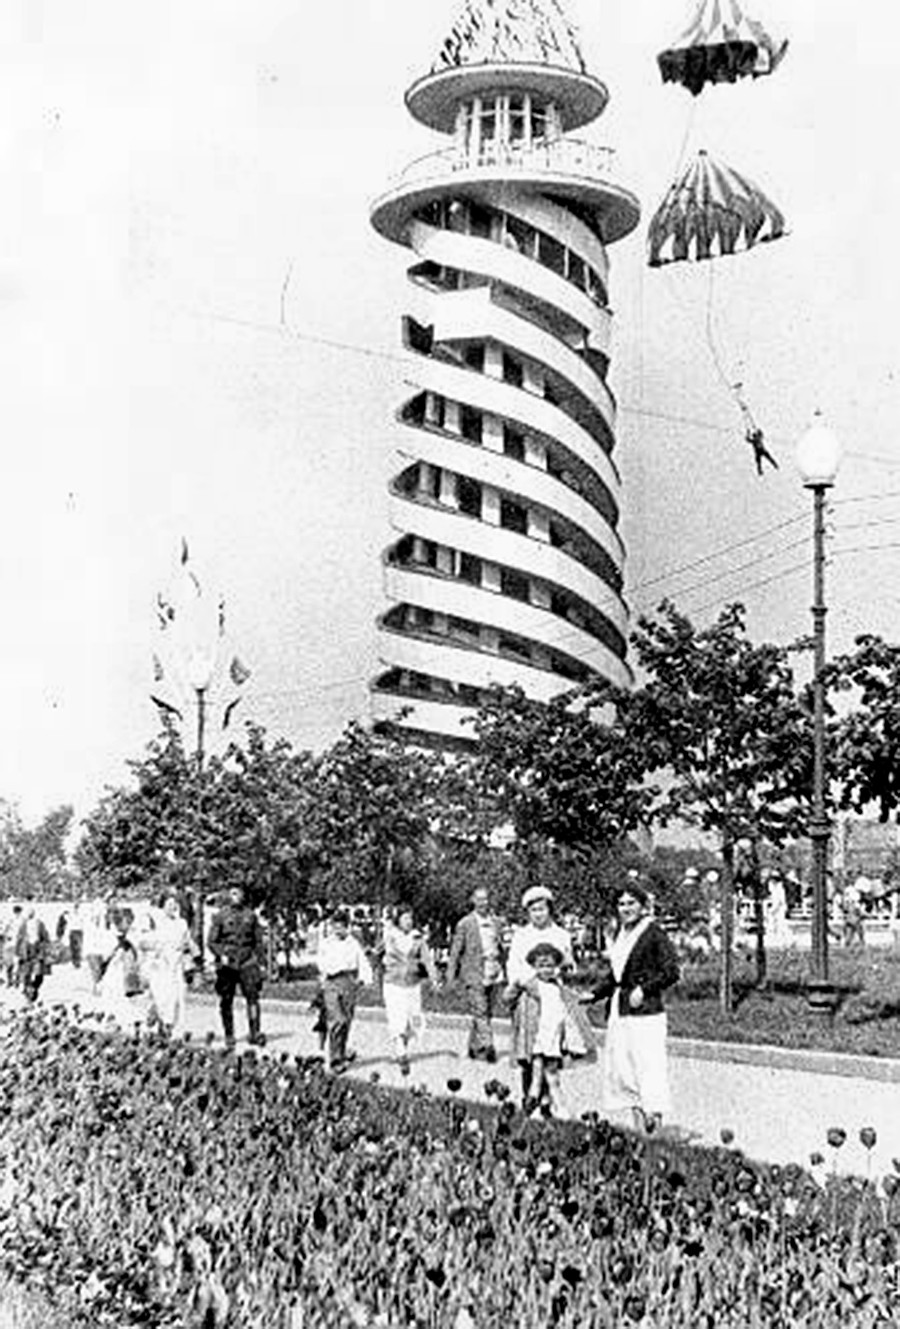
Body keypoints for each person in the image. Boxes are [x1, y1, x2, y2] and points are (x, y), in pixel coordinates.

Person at [593, 880, 680, 1134]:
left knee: (648, 1066)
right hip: (620, 1010)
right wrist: (595, 993)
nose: (626, 908)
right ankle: (640, 1129)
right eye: (621, 904)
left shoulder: (653, 932)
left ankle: (655, 1125)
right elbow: (616, 975)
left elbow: (671, 971)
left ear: (643, 905)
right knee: (624, 1068)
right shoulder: (621, 933)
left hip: (646, 1012)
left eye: (631, 903)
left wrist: (644, 989)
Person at [504, 885, 575, 1110]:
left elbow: (569, 965)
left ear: (550, 910)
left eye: (542, 909)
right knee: (530, 1051)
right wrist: (527, 982)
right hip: (529, 997)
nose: (538, 914)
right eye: (533, 910)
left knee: (551, 1050)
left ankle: (547, 1100)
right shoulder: (521, 935)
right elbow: (513, 966)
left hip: (553, 999)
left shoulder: (561, 935)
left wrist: (558, 973)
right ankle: (529, 1099)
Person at [509, 940, 596, 1119]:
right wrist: (515, 986)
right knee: (537, 1075)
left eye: (550, 966)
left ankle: (552, 1107)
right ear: (534, 966)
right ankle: (535, 1108)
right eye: (541, 966)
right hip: (537, 1038)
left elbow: (571, 1001)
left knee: (552, 1075)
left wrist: (585, 998)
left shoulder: (558, 988)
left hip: (554, 1037)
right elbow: (509, 999)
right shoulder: (531, 987)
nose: (546, 970)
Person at [446, 886, 506, 1062]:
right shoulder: (465, 923)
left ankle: (474, 1047)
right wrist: (451, 975)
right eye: (479, 899)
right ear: (473, 901)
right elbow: (455, 951)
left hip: (493, 971)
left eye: (486, 899)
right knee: (480, 1010)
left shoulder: (496, 922)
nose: (483, 903)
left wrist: (505, 968)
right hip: (474, 973)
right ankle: (489, 1046)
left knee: (485, 1012)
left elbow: (501, 947)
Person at [311, 909, 373, 1072]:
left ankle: (341, 1052)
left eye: (342, 927)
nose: (338, 930)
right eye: (335, 927)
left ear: (347, 927)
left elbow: (362, 961)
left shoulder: (352, 943)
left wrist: (364, 978)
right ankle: (335, 1059)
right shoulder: (326, 943)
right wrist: (325, 976)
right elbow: (321, 962)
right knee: (337, 1020)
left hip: (349, 982)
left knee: (346, 1020)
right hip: (332, 982)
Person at [381, 906, 440, 1074]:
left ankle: (403, 1047)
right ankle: (401, 1053)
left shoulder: (418, 938)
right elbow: (376, 952)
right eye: (405, 918)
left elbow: (427, 960)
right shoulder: (389, 936)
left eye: (410, 918)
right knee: (396, 1017)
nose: (409, 921)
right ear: (398, 920)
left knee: (411, 1020)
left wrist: (434, 978)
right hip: (393, 983)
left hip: (413, 984)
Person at [207, 885, 266, 1051]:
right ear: (228, 896)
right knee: (226, 1000)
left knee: (253, 998)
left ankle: (254, 1032)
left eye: (238, 893)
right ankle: (229, 1034)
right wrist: (222, 954)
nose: (236, 896)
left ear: (243, 895)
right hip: (228, 963)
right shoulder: (220, 916)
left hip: (247, 961)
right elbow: (212, 941)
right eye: (232, 893)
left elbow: (258, 942)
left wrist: (259, 963)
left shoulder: (251, 916)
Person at [144, 892, 199, 1037]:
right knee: (163, 997)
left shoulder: (181, 923)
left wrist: (196, 956)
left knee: (177, 997)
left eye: (175, 904)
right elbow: (143, 942)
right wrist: (155, 948)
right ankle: (157, 1016)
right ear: (162, 906)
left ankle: (168, 1026)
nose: (172, 907)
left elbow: (188, 941)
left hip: (177, 965)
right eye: (169, 904)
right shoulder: (156, 921)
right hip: (160, 965)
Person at [15, 905, 52, 1003]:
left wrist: (46, 950)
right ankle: (28, 993)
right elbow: (19, 938)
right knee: (26, 973)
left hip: (37, 951)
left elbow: (45, 937)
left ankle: (33, 990)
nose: (29, 915)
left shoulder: (39, 923)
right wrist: (18, 952)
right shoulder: (23, 925)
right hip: (26, 951)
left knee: (39, 973)